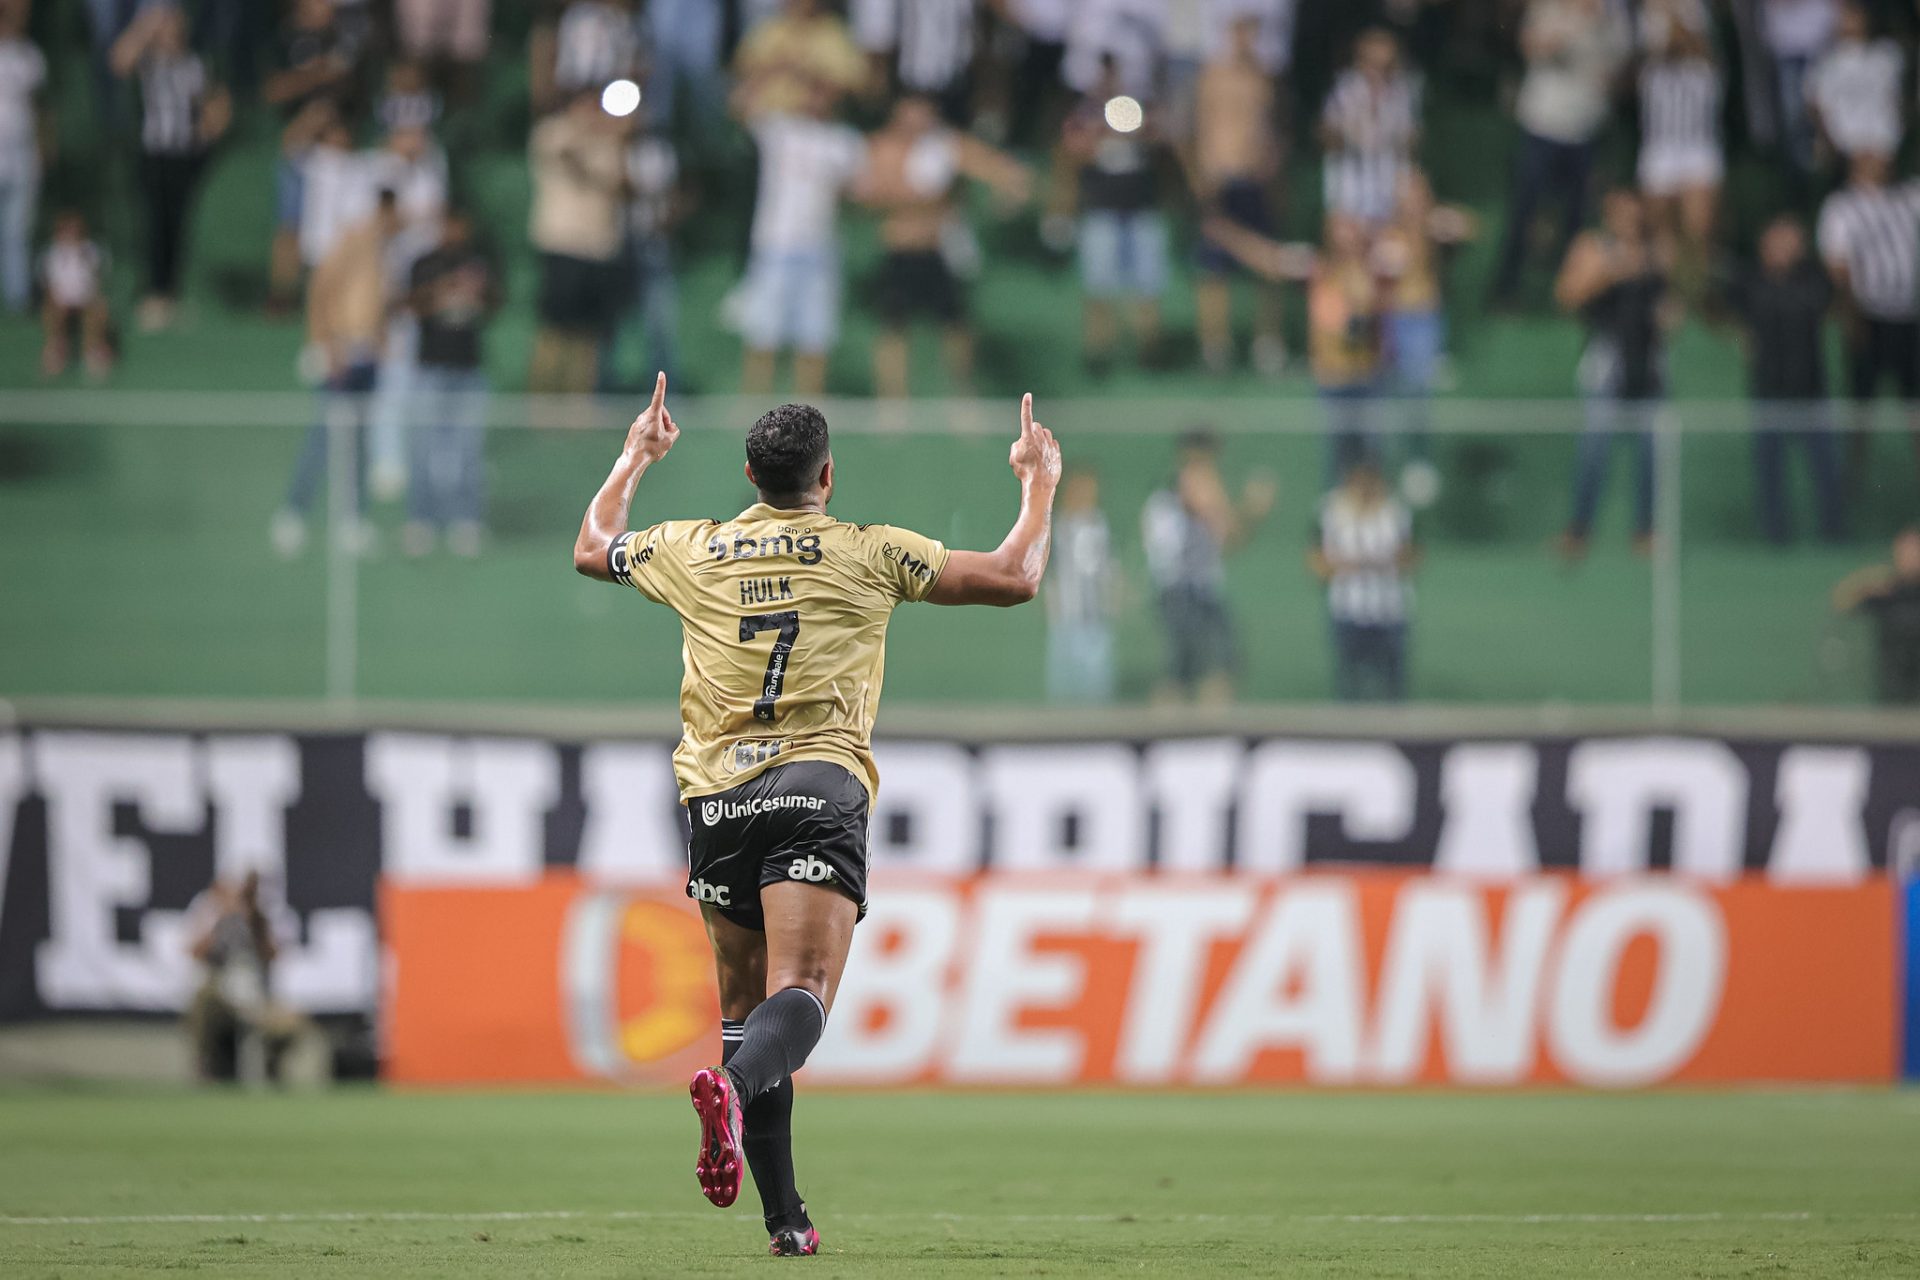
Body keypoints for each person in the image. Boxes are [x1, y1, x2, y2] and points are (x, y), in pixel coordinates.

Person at [571, 378, 1061, 1258]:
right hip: (818, 785)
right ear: (826, 476)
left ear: (750, 473)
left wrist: (636, 455)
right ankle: (729, 1089)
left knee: (743, 1004)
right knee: (801, 994)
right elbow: (1015, 576)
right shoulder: (870, 552)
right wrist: (1038, 480)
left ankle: (785, 1220)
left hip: (718, 796)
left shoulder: (697, 548)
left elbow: (591, 546)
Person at [859, 94, 1030, 399]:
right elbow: (870, 192)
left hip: (938, 248)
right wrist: (921, 200)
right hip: (900, 247)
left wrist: (1008, 189)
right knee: (893, 326)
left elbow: (996, 169)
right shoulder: (883, 146)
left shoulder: (942, 146)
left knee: (956, 324)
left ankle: (962, 393)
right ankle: (891, 399)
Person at [274, 190, 402, 557]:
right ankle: (293, 514)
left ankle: (353, 519)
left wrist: (380, 337)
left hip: (367, 357)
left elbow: (377, 301)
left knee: (360, 442)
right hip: (342, 353)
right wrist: (326, 344)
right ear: (383, 210)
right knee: (323, 439)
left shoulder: (384, 250)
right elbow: (321, 290)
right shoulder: (351, 240)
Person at [1556, 188, 1675, 559]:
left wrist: (1670, 315)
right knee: (1595, 447)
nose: (1628, 220)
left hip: (1649, 358)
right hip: (1607, 357)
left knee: (1652, 451)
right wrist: (1613, 271)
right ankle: (1579, 530)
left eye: (1633, 212)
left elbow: (1672, 301)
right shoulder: (1593, 246)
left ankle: (1647, 530)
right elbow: (1568, 296)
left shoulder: (1658, 250)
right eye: (1620, 212)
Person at [1488, 0, 1629, 307]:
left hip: (1587, 130)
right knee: (1524, 211)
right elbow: (1534, 48)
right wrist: (1578, 22)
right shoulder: (1549, 8)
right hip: (1543, 125)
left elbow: (1621, 66)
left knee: (1577, 217)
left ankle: (1571, 294)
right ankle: (1505, 289)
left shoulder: (1611, 17)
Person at [733, 81, 867, 397]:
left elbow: (859, 192)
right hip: (775, 245)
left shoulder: (844, 142)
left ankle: (808, 413)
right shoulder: (780, 130)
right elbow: (741, 104)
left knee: (815, 335)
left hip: (820, 248)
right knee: (763, 331)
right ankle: (753, 406)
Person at [1718, 213, 1843, 544]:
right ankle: (1775, 534)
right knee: (1770, 470)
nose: (1785, 248)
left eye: (1792, 240)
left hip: (1811, 389)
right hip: (1769, 389)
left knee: (1826, 467)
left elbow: (1830, 301)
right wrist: (1740, 333)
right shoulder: (1749, 281)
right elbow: (1719, 308)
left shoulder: (1814, 280)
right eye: (1778, 240)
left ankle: (1834, 531)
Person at [112, 3, 232, 332]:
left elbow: (212, 102)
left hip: (186, 153)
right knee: (156, 222)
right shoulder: (150, 61)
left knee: (178, 224)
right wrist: (147, 26)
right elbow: (119, 60)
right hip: (155, 151)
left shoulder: (193, 63)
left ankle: (171, 294)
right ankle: (153, 293)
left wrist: (208, 130)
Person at [1140, 429, 1274, 704]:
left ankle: (1209, 730)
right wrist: (1250, 506)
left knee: (1219, 664)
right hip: (1180, 590)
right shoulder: (1183, 489)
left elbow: (1229, 540)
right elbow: (1219, 519)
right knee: (1182, 672)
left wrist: (1252, 514)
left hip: (1202, 589)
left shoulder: (1193, 491)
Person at [1056, 59, 1169, 376]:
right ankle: (1098, 350)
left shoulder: (1141, 108)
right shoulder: (1084, 115)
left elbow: (1161, 144)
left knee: (1146, 285)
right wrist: (1099, 134)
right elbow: (1071, 154)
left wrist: (1138, 131)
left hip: (1140, 208)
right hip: (1101, 209)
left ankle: (1149, 349)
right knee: (1099, 286)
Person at [1817, 151, 1920, 484]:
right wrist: (1853, 318)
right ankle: (1852, 481)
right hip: (1869, 316)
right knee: (1862, 407)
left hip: (1909, 316)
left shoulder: (1908, 197)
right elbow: (1838, 265)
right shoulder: (1842, 206)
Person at [1373, 169, 1474, 505]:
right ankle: (1381, 469)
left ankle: (1419, 462)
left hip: (1426, 318)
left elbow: (1470, 227)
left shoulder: (1433, 227)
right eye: (1409, 194)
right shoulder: (1388, 234)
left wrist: (1437, 218)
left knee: (1418, 395)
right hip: (1395, 319)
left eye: (1420, 193)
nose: (1415, 200)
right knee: (1390, 395)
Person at [1192, 14, 1285, 377]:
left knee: (1267, 263)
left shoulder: (1264, 77)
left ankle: (1267, 342)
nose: (1246, 40)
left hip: (1255, 180)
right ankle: (1214, 344)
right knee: (1214, 269)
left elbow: (1273, 128)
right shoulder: (1212, 75)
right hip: (1221, 179)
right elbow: (1198, 126)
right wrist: (1202, 176)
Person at [403, 208, 499, 557]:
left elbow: (495, 304)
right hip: (431, 368)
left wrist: (479, 291)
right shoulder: (424, 263)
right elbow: (409, 304)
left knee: (468, 449)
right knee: (424, 446)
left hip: (468, 368)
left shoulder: (478, 263)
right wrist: (443, 288)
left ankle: (466, 519)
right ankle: (420, 519)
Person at [528, 90, 627, 393]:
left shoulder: (610, 142)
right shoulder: (552, 133)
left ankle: (579, 402)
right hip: (563, 242)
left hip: (598, 247)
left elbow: (618, 185)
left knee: (589, 333)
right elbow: (571, 162)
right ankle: (540, 399)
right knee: (554, 328)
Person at [181, 870, 308, 1084]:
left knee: (292, 1022)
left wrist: (256, 919)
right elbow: (194, 952)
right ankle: (209, 1068)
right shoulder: (219, 922)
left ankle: (272, 1067)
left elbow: (274, 954)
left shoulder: (262, 921)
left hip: (258, 998)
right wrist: (221, 916)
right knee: (202, 1001)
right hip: (224, 996)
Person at [1311, 454, 1417, 701]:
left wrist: (1372, 562)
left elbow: (1412, 557)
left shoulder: (1396, 512)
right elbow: (1317, 564)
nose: (1366, 486)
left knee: (1393, 688)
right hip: (1349, 609)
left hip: (1390, 611)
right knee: (1350, 685)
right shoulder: (1330, 511)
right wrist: (1356, 563)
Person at [1636, 25, 1720, 300]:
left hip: (1696, 150)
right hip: (1660, 149)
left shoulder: (1705, 72)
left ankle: (1698, 289)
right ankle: (1665, 292)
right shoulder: (1652, 74)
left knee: (1698, 229)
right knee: (1660, 229)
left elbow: (1701, 46)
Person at [1319, 27, 1420, 227]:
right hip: (1350, 188)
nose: (1380, 72)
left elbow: (1411, 141)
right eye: (1374, 64)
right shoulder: (1345, 90)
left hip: (1388, 188)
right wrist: (1351, 131)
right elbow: (1326, 135)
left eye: (1387, 65)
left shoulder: (1402, 92)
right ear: (1361, 61)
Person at [1045, 465, 1119, 702]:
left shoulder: (1100, 525)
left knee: (1097, 693)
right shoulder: (1054, 527)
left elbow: (1108, 570)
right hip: (1064, 624)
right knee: (1064, 695)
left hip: (1096, 622)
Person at [731, 0, 871, 123]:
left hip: (813, 124)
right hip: (762, 119)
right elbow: (742, 71)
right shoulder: (769, 28)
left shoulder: (834, 34)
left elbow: (856, 87)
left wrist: (810, 74)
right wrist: (777, 66)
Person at [1806, 0, 1900, 169]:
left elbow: (1897, 97)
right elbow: (1815, 102)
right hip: (1845, 142)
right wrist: (1825, 138)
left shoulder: (1887, 54)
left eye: (1857, 15)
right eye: (1848, 16)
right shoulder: (1826, 61)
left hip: (1882, 140)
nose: (1853, 21)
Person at [1833, 527, 1920, 703]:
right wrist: (1866, 582)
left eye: (1915, 550)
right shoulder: (1886, 590)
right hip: (1893, 688)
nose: (1911, 557)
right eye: (1905, 551)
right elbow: (1841, 603)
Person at [0, 0, 46, 315]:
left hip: (22, 154)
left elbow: (40, 106)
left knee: (17, 230)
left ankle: (18, 295)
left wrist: (42, 148)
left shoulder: (30, 56)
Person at [38, 210, 114, 379]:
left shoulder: (91, 251)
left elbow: (96, 281)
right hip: (61, 300)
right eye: (67, 230)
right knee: (52, 308)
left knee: (98, 308)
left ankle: (93, 351)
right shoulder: (51, 254)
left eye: (75, 230)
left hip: (85, 298)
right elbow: (49, 285)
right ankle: (55, 352)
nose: (71, 234)